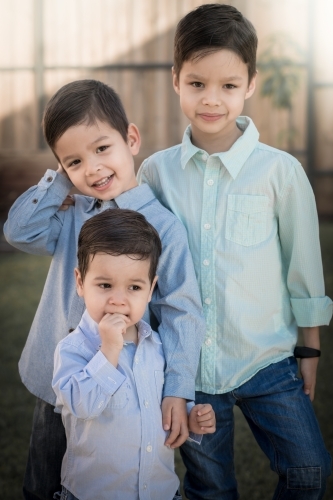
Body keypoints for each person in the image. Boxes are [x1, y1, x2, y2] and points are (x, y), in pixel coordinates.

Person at [137, 3, 333, 499]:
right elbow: (143, 268)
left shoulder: (280, 172)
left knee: (309, 470)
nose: (212, 99)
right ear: (176, 79)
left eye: (228, 86)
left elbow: (303, 269)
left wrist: (309, 350)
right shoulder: (156, 174)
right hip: (193, 371)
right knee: (210, 489)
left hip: (268, 360)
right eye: (197, 83)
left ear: (250, 83)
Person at [4, 79, 206, 500]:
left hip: (121, 386)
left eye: (101, 149)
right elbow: (18, 232)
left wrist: (177, 388)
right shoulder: (72, 215)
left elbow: (181, 310)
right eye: (74, 161)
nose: (92, 169)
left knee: (107, 479)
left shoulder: (164, 226)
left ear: (131, 138)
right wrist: (62, 182)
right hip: (58, 380)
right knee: (42, 482)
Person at [52, 208, 216, 500]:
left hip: (159, 491)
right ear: (80, 282)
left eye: (134, 287)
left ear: (151, 290)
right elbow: (83, 406)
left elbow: (151, 406)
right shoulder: (73, 349)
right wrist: (109, 350)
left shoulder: (156, 346)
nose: (118, 300)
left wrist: (191, 419)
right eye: (104, 285)